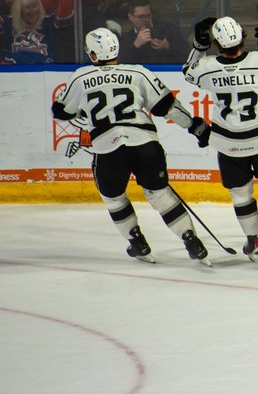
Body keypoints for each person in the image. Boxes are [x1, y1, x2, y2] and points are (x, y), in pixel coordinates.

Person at [52, 27, 211, 264]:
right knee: (160, 196)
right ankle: (191, 240)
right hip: (144, 143)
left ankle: (138, 243)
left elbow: (60, 113)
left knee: (114, 198)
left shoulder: (80, 76)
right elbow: (166, 106)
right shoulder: (138, 73)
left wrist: (86, 120)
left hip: (108, 149)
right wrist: (194, 125)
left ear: (93, 54)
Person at [183, 17, 258, 265]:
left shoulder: (206, 67)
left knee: (240, 193)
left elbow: (188, 73)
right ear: (243, 37)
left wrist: (198, 46)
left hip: (229, 143)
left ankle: (254, 240)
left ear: (216, 43)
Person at [121, 0, 185, 65]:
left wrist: (168, 46)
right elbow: (121, 63)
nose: (146, 19)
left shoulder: (168, 29)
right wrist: (136, 45)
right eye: (141, 17)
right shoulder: (126, 38)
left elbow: (186, 54)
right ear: (130, 17)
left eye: (148, 15)